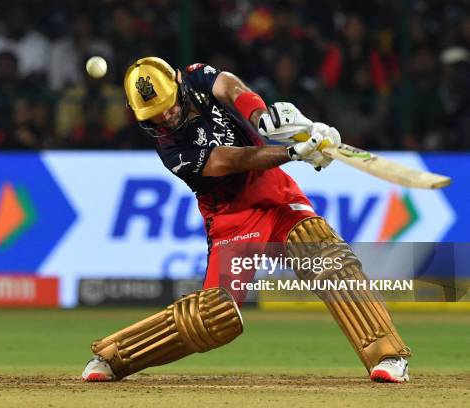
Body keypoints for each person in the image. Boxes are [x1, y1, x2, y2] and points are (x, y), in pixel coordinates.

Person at [81, 57, 411, 383]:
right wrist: (293, 152)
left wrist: (262, 117)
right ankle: (113, 356)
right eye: (154, 115)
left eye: (167, 105)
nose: (165, 117)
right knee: (214, 317)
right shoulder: (171, 149)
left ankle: (387, 355)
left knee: (324, 253)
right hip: (231, 221)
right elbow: (233, 160)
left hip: (277, 197)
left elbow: (230, 86)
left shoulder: (195, 78)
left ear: (178, 84)